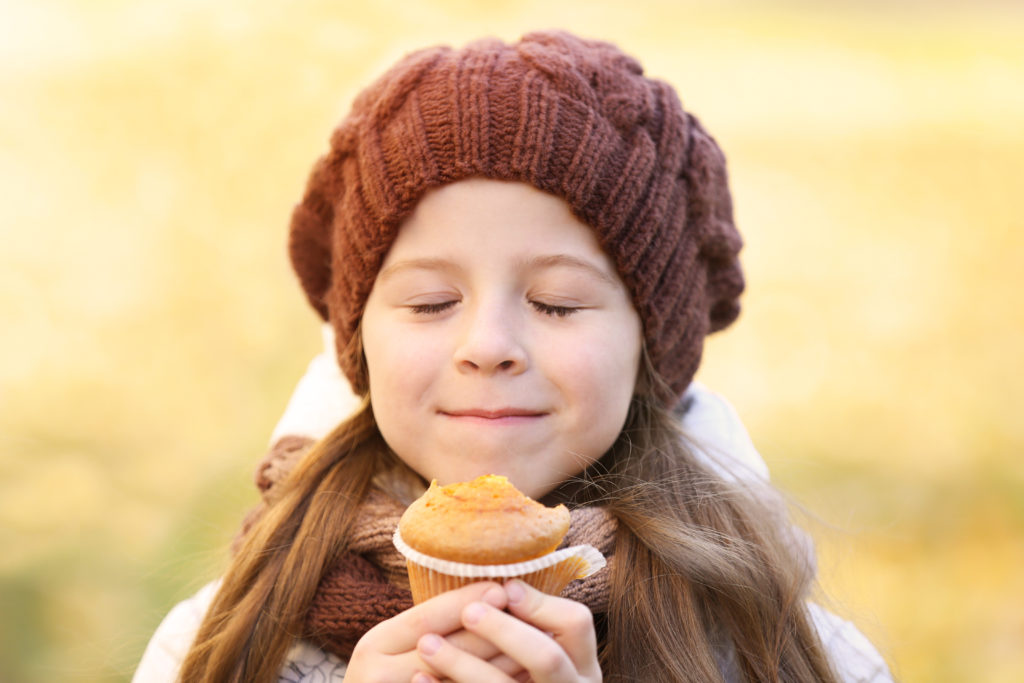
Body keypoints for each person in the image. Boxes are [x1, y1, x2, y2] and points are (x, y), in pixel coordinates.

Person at [134, 30, 893, 682]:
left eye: (556, 303)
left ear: (650, 344)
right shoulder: (229, 635)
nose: (489, 346)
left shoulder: (771, 645)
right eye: (431, 302)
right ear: (359, 338)